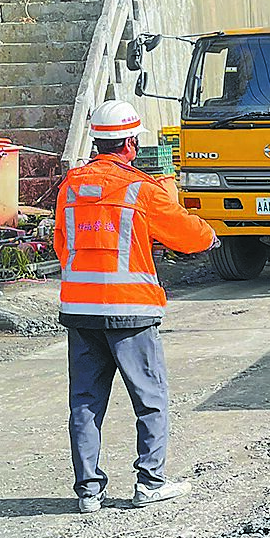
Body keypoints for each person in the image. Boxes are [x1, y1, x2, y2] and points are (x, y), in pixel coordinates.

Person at [54, 100, 219, 514]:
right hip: (130, 310)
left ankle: (89, 493)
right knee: (150, 397)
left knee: (86, 401)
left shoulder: (71, 187)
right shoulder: (141, 189)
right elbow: (188, 234)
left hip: (80, 309)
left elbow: (62, 244)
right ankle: (149, 483)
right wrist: (211, 238)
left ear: (97, 141)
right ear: (131, 143)